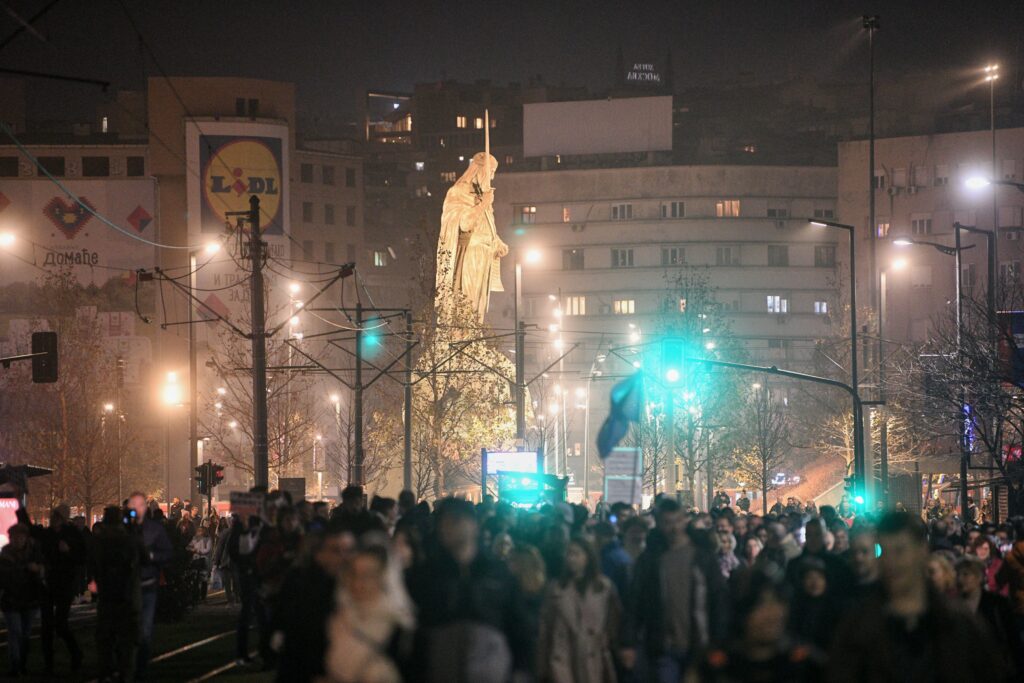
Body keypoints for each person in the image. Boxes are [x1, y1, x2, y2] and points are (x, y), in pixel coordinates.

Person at [828, 512, 1007, 682]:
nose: (892, 561)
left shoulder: (956, 621)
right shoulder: (859, 624)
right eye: (884, 551)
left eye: (900, 551)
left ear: (921, 551)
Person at [407, 498, 527, 682]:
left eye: (456, 521)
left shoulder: (496, 572)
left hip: (492, 669)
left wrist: (521, 670)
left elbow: (518, 624)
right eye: (443, 522)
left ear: (473, 525)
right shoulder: (427, 574)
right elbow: (416, 629)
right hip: (441, 668)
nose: (449, 528)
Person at [621, 498, 728, 682]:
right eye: (667, 523)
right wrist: (628, 642)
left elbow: (718, 598)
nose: (673, 528)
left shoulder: (701, 557)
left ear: (684, 520)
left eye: (677, 521)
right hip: (663, 643)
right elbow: (635, 601)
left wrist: (719, 640)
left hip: (698, 643)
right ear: (659, 524)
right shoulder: (652, 559)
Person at [694, 570, 824, 683]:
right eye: (760, 604)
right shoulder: (716, 666)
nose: (773, 613)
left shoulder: (806, 665)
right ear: (740, 612)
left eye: (778, 601)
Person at [325, 544, 415, 683]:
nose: (358, 583)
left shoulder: (397, 624)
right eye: (354, 574)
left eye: (367, 575)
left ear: (383, 577)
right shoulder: (340, 617)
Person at [275, 528, 354, 683]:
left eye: (348, 550)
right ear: (319, 554)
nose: (343, 557)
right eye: (336, 551)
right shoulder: (304, 586)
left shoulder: (352, 586)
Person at [538, 537, 621, 683]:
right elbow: (546, 626)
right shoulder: (557, 589)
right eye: (569, 554)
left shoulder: (603, 587)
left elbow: (613, 620)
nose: (571, 559)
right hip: (564, 656)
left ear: (588, 556)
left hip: (595, 655)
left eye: (576, 554)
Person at [90, 505, 145, 683]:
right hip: (128, 597)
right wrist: (135, 530)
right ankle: (125, 674)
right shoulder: (130, 540)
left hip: (107, 597)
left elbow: (92, 565)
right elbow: (146, 559)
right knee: (128, 641)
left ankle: (105, 672)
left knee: (105, 640)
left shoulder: (99, 542)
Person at [129, 491, 173, 679]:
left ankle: (140, 670)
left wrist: (152, 557)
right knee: (127, 630)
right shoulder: (123, 529)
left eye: (140, 505)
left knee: (145, 631)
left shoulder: (154, 529)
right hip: (127, 587)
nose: (136, 509)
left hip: (147, 585)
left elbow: (167, 553)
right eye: (133, 506)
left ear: (145, 508)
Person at [38, 503, 86, 674]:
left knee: (60, 624)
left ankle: (75, 654)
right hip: (50, 582)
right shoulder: (48, 534)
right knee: (46, 626)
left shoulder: (71, 534)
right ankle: (49, 662)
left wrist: (69, 551)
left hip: (64, 581)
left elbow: (81, 556)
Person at [955, 555, 1019, 674]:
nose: (959, 579)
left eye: (965, 574)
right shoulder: (952, 605)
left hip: (994, 668)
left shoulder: (998, 603)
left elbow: (1012, 639)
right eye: (958, 574)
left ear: (979, 577)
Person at [0, 523, 45, 676]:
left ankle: (22, 664)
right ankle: (15, 666)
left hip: (30, 599)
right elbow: (6, 576)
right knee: (16, 632)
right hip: (12, 600)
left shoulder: (33, 553)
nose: (18, 540)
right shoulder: (5, 555)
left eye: (21, 537)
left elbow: (43, 569)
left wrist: (38, 570)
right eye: (15, 537)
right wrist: (27, 569)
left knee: (25, 634)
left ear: (26, 538)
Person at [188, 525, 213, 601]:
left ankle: (203, 597)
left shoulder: (207, 539)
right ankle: (196, 597)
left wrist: (198, 551)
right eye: (198, 530)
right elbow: (189, 546)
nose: (199, 532)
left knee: (203, 579)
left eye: (201, 530)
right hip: (195, 560)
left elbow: (207, 550)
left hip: (203, 560)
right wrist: (192, 549)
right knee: (196, 579)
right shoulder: (194, 539)